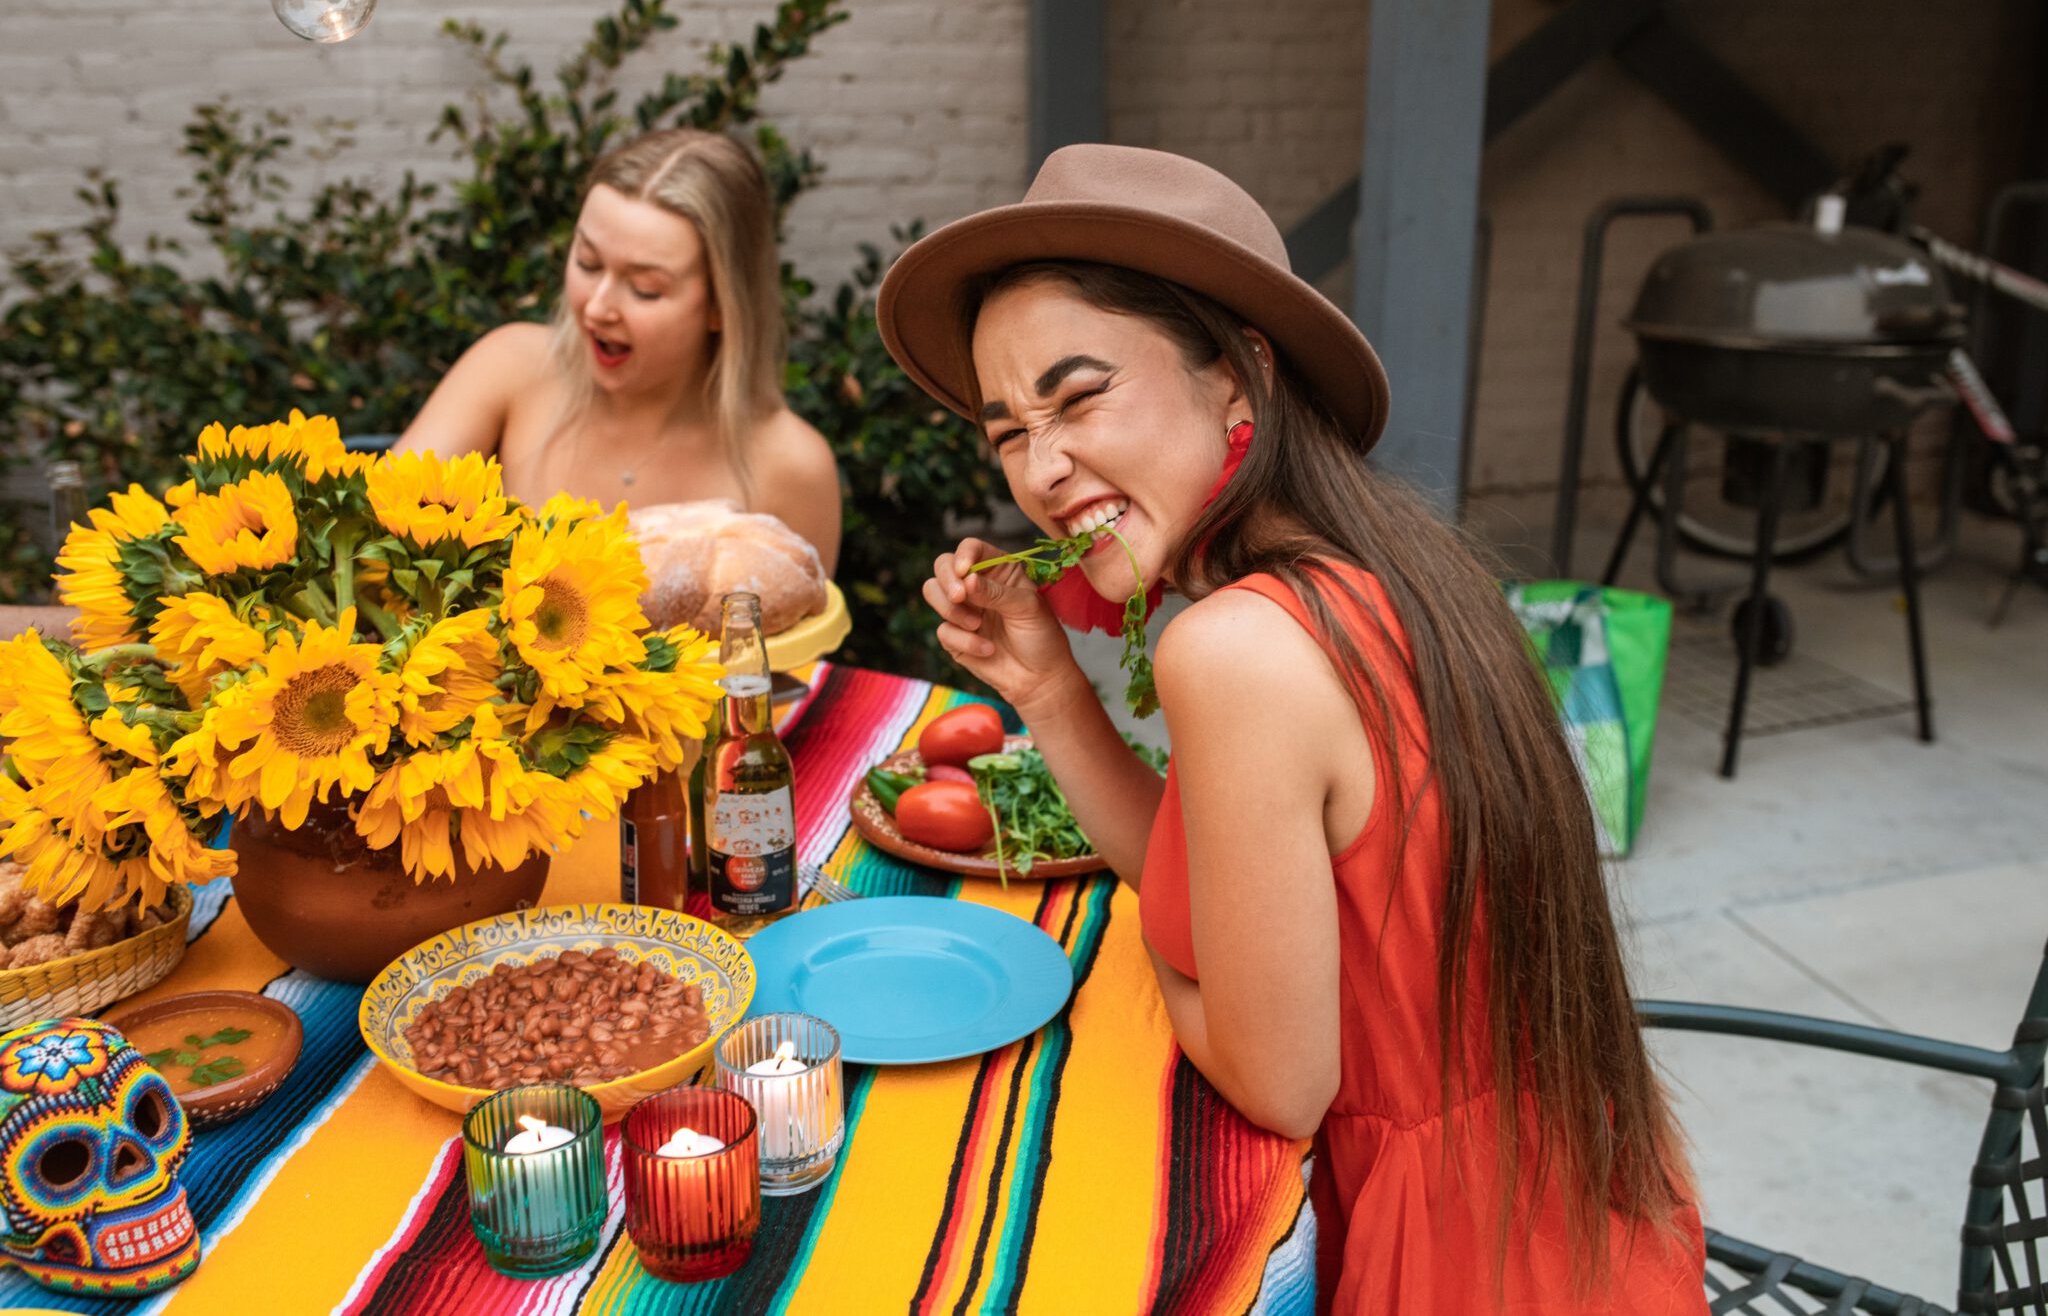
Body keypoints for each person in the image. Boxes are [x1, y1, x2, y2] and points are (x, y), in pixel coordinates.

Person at [879, 146, 1706, 1314]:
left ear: (1239, 379)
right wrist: (1053, 694)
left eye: (1078, 395)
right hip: (1566, 1216)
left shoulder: (1231, 649)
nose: (1042, 467)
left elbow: (1278, 1083)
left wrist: (1145, 964)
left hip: (1431, 1261)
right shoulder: (1391, 569)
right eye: (1006, 429)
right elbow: (1217, 876)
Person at [395, 128, 841, 569]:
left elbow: (799, 636)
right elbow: (376, 526)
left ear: (722, 307)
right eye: (588, 262)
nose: (597, 305)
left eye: (645, 289)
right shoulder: (509, 367)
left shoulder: (793, 466)